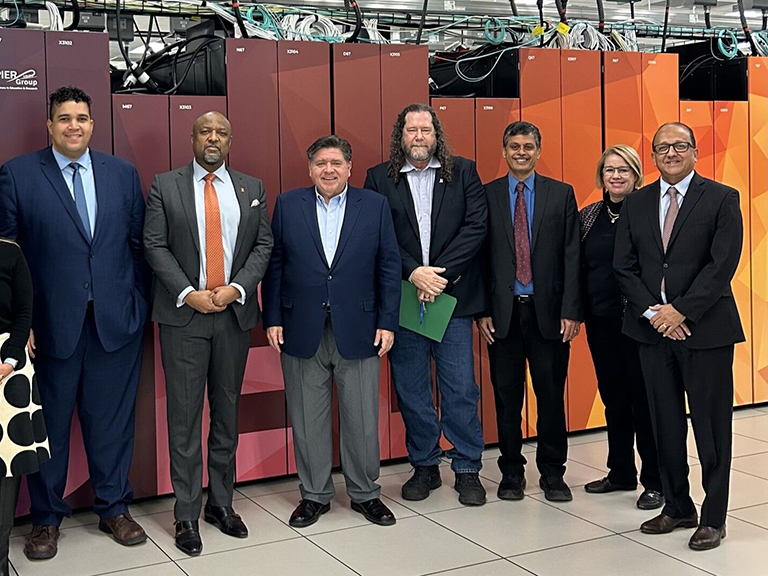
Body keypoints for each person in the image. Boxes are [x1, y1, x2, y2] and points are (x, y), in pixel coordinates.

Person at [0, 86, 150, 559]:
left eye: (81, 118)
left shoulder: (122, 174)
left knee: (112, 424)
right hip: (48, 330)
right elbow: (6, 260)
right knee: (50, 426)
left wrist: (137, 305)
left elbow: (138, 246)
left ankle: (114, 508)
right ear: (49, 125)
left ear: (92, 124)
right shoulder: (18, 175)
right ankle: (46, 519)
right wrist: (17, 325)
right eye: (64, 118)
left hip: (114, 325)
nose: (73, 126)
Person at [143, 111, 273, 556]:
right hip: (184, 317)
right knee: (184, 420)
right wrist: (187, 293)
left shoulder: (252, 188)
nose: (213, 138)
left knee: (227, 415)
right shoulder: (166, 185)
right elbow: (154, 244)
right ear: (192, 138)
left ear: (230, 141)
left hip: (233, 316)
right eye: (205, 131)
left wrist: (237, 288)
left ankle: (221, 504)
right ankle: (185, 513)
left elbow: (263, 245)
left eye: (221, 132)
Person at [614, 122, 744, 551]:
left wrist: (681, 310)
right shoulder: (636, 202)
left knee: (711, 428)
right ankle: (677, 505)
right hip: (652, 332)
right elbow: (623, 266)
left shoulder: (722, 198)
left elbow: (722, 265)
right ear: (652, 155)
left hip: (706, 331)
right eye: (662, 147)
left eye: (679, 146)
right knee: (663, 424)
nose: (671, 153)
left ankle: (713, 518)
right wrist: (655, 313)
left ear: (694, 152)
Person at [262, 135, 401, 528]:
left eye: (336, 163)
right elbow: (275, 265)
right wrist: (272, 318)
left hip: (360, 328)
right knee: (308, 419)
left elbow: (389, 266)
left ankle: (365, 493)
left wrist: (387, 321)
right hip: (300, 328)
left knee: (361, 418)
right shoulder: (288, 204)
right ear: (310, 169)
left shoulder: (373, 205)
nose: (328, 170)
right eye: (321, 163)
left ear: (349, 168)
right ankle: (314, 495)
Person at [364, 103, 488, 507]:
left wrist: (438, 276)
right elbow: (375, 234)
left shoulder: (464, 171)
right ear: (400, 136)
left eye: (426, 130)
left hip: (451, 300)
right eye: (411, 130)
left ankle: (467, 468)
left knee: (460, 388)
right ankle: (425, 464)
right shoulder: (378, 178)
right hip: (404, 300)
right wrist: (414, 272)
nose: (419, 137)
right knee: (412, 389)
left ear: (437, 135)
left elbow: (476, 227)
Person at [477, 121, 581, 503]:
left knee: (550, 397)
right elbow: (478, 258)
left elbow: (573, 255)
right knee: (507, 400)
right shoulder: (486, 195)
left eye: (528, 146)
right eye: (514, 146)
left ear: (539, 151)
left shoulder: (561, 194)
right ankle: (511, 473)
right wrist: (482, 311)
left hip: (549, 315)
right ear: (504, 151)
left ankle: (553, 473)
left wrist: (572, 310)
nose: (521, 152)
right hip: (502, 316)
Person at [579, 145, 663, 510]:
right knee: (614, 400)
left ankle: (655, 481)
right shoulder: (588, 215)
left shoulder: (649, 211)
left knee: (644, 403)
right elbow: (579, 267)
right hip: (601, 322)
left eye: (623, 170)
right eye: (609, 170)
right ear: (601, 175)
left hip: (640, 323)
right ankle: (621, 472)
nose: (616, 176)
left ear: (636, 175)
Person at [0, 239, 50, 576]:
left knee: (7, 463)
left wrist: (10, 359)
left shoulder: (10, 253)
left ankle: (0, 558)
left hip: (9, 365)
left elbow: (23, 312)